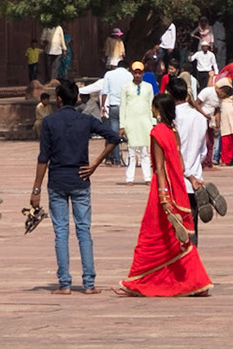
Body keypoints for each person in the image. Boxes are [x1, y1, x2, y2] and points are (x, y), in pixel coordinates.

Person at [117, 91, 213, 297]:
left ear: (158, 110)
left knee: (152, 235)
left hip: (164, 188)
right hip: (178, 186)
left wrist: (162, 197)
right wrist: (191, 179)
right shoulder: (173, 131)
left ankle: (138, 279)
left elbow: (159, 167)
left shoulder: (157, 132)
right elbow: (179, 162)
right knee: (179, 238)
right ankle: (196, 281)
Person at [31, 79, 120, 294]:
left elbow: (43, 158)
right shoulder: (85, 120)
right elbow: (114, 137)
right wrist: (94, 164)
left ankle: (65, 283)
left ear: (59, 99)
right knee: (83, 230)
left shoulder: (50, 122)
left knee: (61, 232)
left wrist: (36, 190)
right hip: (81, 179)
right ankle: (89, 284)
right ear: (77, 98)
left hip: (58, 181)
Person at [169, 78, 210, 248]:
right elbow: (203, 151)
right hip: (196, 179)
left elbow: (173, 152)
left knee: (174, 226)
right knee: (192, 224)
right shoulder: (200, 118)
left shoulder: (172, 118)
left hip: (177, 178)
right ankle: (192, 262)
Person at [118, 62, 157, 184]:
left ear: (143, 73)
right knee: (132, 152)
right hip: (131, 122)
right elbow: (123, 106)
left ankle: (147, 178)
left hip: (145, 122)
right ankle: (130, 178)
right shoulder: (126, 87)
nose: (138, 75)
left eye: (140, 73)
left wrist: (153, 122)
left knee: (145, 152)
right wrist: (122, 125)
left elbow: (152, 105)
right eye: (135, 72)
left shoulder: (148, 87)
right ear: (132, 73)